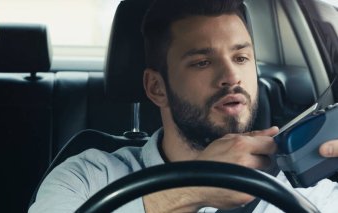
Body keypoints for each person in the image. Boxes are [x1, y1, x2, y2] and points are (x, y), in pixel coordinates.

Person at [29, 0, 338, 212]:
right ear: (157, 87)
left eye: (241, 58)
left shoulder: (304, 190)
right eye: (203, 62)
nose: (232, 76)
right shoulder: (85, 178)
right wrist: (194, 189)